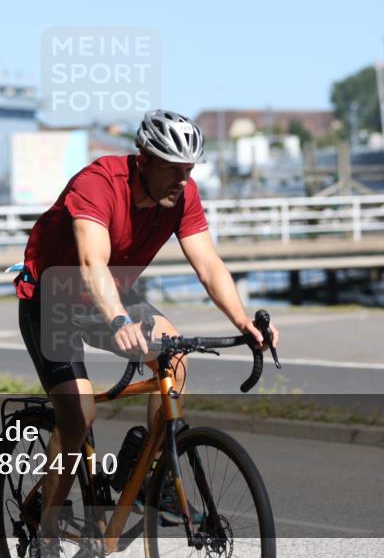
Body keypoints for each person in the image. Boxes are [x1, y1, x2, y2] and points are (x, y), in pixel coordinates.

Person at [15, 109, 280, 555]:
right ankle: (46, 530)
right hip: (53, 297)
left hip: (111, 294)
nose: (183, 180)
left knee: (174, 352)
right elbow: (91, 262)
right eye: (175, 170)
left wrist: (243, 323)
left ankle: (149, 473)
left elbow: (209, 265)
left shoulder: (182, 196)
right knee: (78, 415)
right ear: (144, 159)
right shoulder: (98, 184)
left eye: (190, 170)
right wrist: (118, 320)